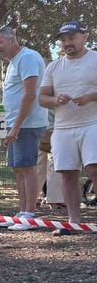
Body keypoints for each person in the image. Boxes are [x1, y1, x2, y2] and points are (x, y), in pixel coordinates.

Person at [39, 20, 97, 236]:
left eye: (72, 38)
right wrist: (55, 100)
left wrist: (90, 97)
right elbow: (42, 98)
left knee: (94, 169)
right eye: (63, 40)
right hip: (63, 128)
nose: (67, 43)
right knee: (68, 173)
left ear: (85, 36)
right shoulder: (54, 66)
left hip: (92, 123)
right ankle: (74, 223)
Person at [0, 26, 50, 231]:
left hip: (27, 123)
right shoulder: (13, 62)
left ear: (12, 40)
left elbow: (30, 94)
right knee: (18, 168)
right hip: (14, 123)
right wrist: (10, 126)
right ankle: (22, 212)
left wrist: (16, 126)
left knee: (27, 166)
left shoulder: (27, 58)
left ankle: (30, 215)